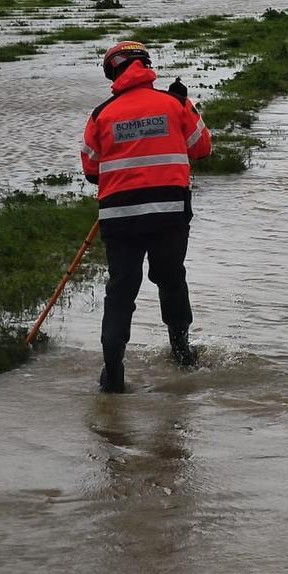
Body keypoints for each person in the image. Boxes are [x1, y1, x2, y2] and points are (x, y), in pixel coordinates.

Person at [81, 41, 212, 392]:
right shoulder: (174, 104)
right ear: (146, 66)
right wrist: (187, 106)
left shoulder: (100, 115)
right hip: (169, 214)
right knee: (170, 279)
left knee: (121, 290)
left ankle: (113, 373)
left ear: (113, 72)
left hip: (119, 217)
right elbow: (202, 148)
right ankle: (183, 354)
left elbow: (91, 169)